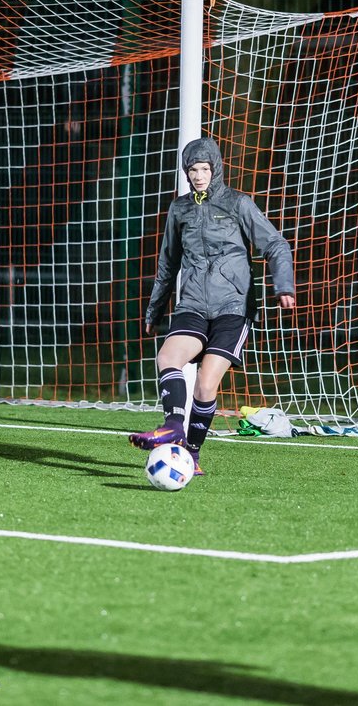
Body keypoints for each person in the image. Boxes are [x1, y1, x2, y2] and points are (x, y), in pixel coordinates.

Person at [129, 136, 296, 475]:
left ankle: (191, 453)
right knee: (167, 357)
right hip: (192, 303)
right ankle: (173, 426)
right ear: (186, 172)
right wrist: (154, 311)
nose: (199, 175)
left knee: (206, 384)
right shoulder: (180, 209)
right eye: (193, 169)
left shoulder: (238, 203)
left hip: (233, 308)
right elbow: (167, 263)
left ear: (216, 169)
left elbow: (276, 245)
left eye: (205, 169)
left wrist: (283, 286)